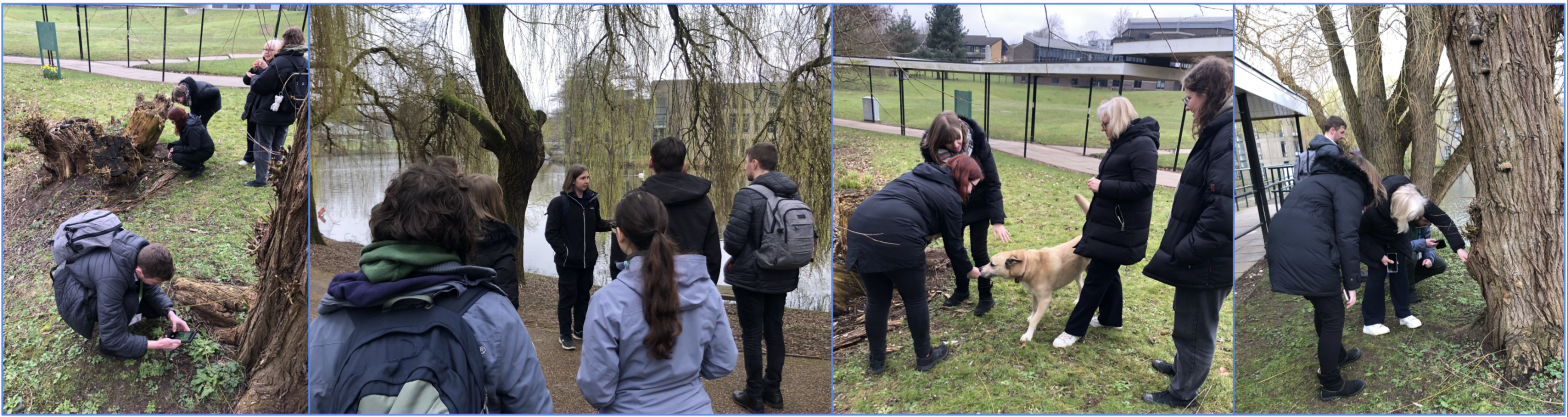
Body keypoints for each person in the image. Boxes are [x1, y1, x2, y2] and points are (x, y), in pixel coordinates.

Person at [308, 164, 553, 414]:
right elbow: (532, 407)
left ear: (381, 224)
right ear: (464, 232)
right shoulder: (494, 315)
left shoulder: (331, 322)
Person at [576, 190, 737, 413]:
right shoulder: (706, 289)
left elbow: (597, 389)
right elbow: (723, 362)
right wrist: (682, 374)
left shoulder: (606, 302)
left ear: (620, 235)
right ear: (664, 229)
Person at [1139, 56, 1236, 408]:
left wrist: (1187, 249)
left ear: (1207, 94)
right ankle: (1183, 369)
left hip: (1207, 258)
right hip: (1201, 254)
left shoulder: (1226, 134)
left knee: (1196, 326)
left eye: (1189, 98)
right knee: (1188, 318)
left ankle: (1183, 392)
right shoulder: (1219, 129)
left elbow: (1222, 211)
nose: (1188, 106)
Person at [845, 153, 984, 374]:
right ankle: (925, 356)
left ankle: (876, 361)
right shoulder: (951, 198)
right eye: (971, 185)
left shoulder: (914, 175)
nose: (969, 191)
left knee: (877, 300)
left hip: (859, 227)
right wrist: (969, 270)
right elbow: (954, 244)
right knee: (915, 298)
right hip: (898, 234)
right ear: (963, 177)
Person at [1267, 154, 1382, 402]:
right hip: (1307, 249)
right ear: (1368, 179)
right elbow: (1347, 235)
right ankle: (1331, 384)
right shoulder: (1349, 185)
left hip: (1284, 246)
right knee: (1333, 315)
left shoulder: (1317, 179)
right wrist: (1351, 283)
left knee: (1324, 304)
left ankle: (1338, 356)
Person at [1054, 96, 1159, 349]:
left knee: (1097, 277)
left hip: (1122, 227)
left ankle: (1073, 330)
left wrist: (1104, 186)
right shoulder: (1121, 142)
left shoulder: (1142, 144)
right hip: (1109, 222)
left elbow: (1145, 186)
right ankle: (1111, 319)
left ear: (1119, 119)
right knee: (1104, 271)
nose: (1102, 129)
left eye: (1105, 123)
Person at [723, 143, 801, 412]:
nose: (745, 166)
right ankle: (774, 392)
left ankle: (753, 395)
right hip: (783, 272)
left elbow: (732, 243)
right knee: (774, 332)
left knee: (753, 334)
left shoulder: (747, 195)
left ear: (755, 163)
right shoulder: (793, 193)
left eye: (746, 161)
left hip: (752, 276)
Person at [50, 210, 188, 359]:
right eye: (157, 281)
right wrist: (156, 344)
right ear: (139, 271)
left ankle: (126, 320)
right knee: (130, 301)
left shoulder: (139, 251)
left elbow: (150, 287)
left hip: (97, 277)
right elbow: (111, 338)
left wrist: (170, 313)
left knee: (154, 310)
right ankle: (109, 350)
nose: (160, 285)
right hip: (77, 296)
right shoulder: (111, 279)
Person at [923, 112, 1010, 317]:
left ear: (963, 132)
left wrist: (997, 219)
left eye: (958, 139)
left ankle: (985, 296)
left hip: (979, 207)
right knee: (954, 248)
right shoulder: (933, 153)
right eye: (948, 142)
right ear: (938, 141)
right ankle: (961, 290)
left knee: (979, 252)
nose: (955, 145)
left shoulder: (978, 145)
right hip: (953, 208)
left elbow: (993, 183)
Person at [1358, 176, 1468, 335]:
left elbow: (1442, 219)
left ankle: (1404, 314)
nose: (1417, 219)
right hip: (1375, 241)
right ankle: (1371, 322)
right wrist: (1379, 255)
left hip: (1397, 237)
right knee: (1377, 277)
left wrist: (1458, 247)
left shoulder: (1415, 198)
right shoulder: (1373, 207)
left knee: (1400, 275)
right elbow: (1358, 234)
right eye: (1413, 217)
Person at [608, 137, 722, 283]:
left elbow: (619, 255)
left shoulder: (633, 202)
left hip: (641, 291)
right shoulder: (703, 203)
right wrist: (704, 290)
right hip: (692, 289)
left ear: (650, 162)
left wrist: (622, 288)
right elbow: (712, 257)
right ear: (683, 166)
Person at [544, 164, 614, 351]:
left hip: (588, 261)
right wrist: (564, 251)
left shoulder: (592, 201)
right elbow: (551, 233)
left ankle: (579, 330)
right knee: (567, 298)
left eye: (588, 177)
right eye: (583, 178)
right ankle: (565, 334)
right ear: (572, 180)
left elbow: (596, 223)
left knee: (583, 297)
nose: (587, 181)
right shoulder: (560, 203)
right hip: (568, 262)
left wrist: (613, 224)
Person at [244, 27, 308, 188]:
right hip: (290, 110)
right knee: (278, 147)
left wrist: (255, 78)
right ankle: (277, 175)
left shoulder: (281, 61)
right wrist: (267, 72)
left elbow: (261, 85)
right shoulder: (304, 62)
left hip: (270, 111)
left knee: (262, 146)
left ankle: (260, 180)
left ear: (284, 41)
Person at [465, 174, 520, 308]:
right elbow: (507, 294)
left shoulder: (446, 236)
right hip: (486, 319)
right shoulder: (501, 243)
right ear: (496, 202)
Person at [238, 39, 282, 166]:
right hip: (253, 104)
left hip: (265, 105)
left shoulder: (276, 65)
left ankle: (261, 161)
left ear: (277, 51)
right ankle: (249, 157)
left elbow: (270, 82)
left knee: (261, 136)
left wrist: (264, 70)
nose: (267, 52)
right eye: (265, 49)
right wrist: (253, 69)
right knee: (250, 132)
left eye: (270, 50)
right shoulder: (261, 62)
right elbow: (247, 81)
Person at [165, 106, 214, 179]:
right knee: (172, 145)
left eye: (173, 121)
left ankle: (199, 167)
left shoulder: (191, 128)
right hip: (197, 146)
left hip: (204, 151)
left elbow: (194, 147)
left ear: (178, 119)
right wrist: (173, 148)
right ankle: (189, 164)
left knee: (176, 157)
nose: (174, 124)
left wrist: (176, 149)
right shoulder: (187, 118)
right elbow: (186, 140)